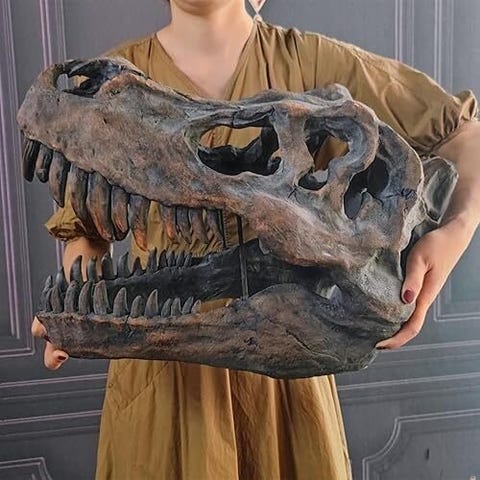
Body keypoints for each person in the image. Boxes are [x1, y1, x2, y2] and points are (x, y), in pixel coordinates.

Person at [32, 1, 480, 478]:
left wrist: (455, 231)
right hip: (161, 365)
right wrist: (79, 305)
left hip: (286, 376)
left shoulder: (312, 62)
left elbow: (464, 135)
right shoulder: (113, 83)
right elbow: (87, 229)